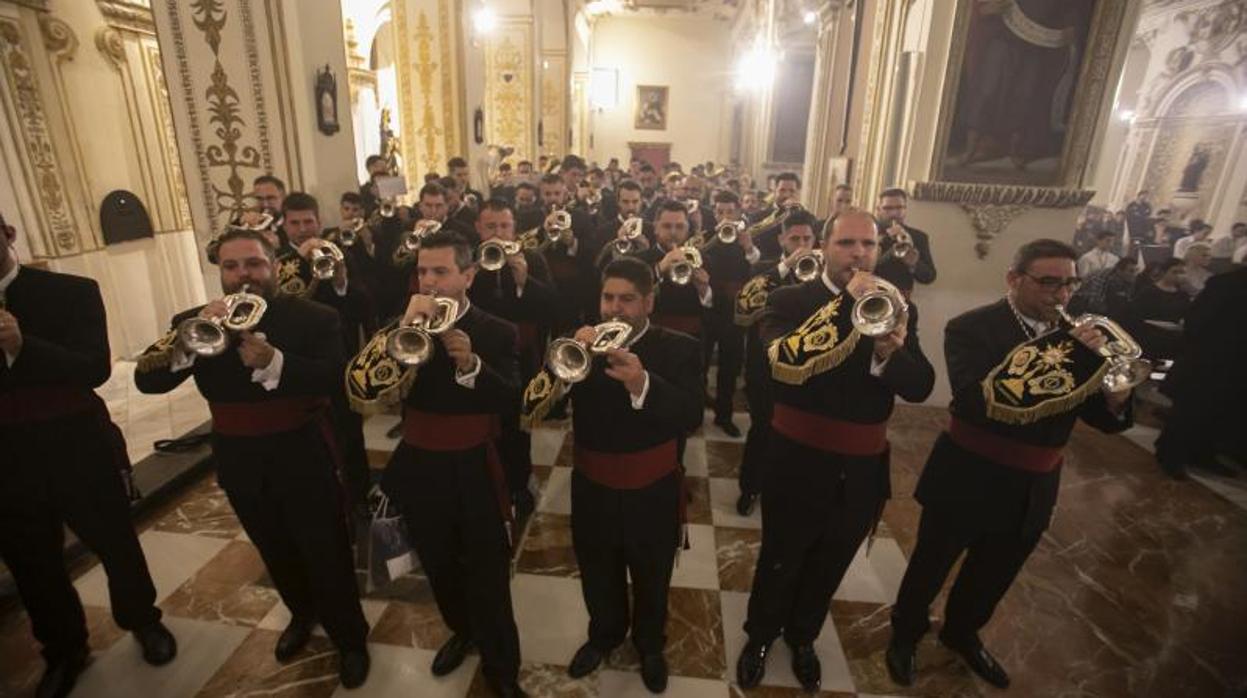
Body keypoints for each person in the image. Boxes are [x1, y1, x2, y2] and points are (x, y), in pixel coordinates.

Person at [887, 239, 1133, 690]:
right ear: (1013, 279)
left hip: (1035, 481)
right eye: (1048, 282)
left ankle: (962, 633)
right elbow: (974, 400)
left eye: (1070, 283)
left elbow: (1098, 418)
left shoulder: (1084, 336)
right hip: (969, 472)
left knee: (996, 570)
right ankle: (904, 634)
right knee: (931, 564)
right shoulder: (972, 328)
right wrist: (1066, 353)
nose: (1061, 294)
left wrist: (1116, 400)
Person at [134, 228, 371, 689]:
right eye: (232, 266)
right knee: (274, 546)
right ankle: (302, 615)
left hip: (301, 452)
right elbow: (148, 382)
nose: (244, 274)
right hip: (239, 458)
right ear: (220, 272)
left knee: (326, 550)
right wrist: (186, 340)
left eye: (254, 264)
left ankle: (351, 637)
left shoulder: (313, 316)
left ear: (275, 266)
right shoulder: (194, 319)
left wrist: (276, 361)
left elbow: (335, 379)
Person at [737, 211, 935, 693]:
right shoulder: (789, 299)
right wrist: (843, 306)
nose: (859, 253)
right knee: (782, 555)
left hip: (862, 466)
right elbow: (775, 367)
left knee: (832, 560)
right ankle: (760, 636)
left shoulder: (898, 304)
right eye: (846, 242)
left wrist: (891, 353)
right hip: (797, 459)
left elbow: (922, 386)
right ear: (824, 246)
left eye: (868, 244)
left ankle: (803, 637)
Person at [0, 213, 176, 698]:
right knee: (32, 562)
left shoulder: (72, 291)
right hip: (8, 460)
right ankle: (63, 649)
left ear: (9, 234)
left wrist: (23, 346)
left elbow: (95, 368)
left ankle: (144, 621)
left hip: (75, 445)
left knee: (116, 542)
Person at [521, 257, 703, 694]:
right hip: (592, 483)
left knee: (652, 572)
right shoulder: (581, 344)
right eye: (608, 297)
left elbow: (691, 414)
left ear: (648, 303)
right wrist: (565, 368)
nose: (615, 308)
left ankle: (649, 645)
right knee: (597, 568)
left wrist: (641, 382)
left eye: (627, 299)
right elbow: (536, 405)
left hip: (653, 486)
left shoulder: (679, 346)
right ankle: (604, 635)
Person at [361, 230, 524, 697]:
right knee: (438, 562)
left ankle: (502, 669)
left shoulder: (496, 330)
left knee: (488, 574)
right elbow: (365, 390)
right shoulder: (403, 325)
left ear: (468, 275)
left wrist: (472, 364)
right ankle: (462, 629)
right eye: (422, 271)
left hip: (475, 464)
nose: (428, 282)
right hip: (420, 463)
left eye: (441, 271)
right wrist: (397, 333)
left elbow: (513, 399)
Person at [470, 199, 557, 519]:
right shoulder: (469, 260)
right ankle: (485, 479)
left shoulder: (532, 257)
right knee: (483, 418)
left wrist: (524, 282)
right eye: (491, 226)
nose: (498, 233)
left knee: (519, 423)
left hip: (523, 353)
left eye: (504, 226)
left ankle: (519, 484)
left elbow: (552, 304)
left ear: (514, 228)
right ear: (479, 228)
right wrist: (472, 275)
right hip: (478, 353)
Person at [733, 209, 819, 516]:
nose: (800, 244)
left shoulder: (824, 271)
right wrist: (785, 267)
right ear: (781, 238)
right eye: (794, 238)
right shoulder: (766, 268)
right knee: (763, 429)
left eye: (807, 238)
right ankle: (750, 488)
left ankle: (787, 489)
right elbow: (746, 303)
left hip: (809, 366)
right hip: (765, 366)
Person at [1155, 265, 1247, 479]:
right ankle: (1169, 455)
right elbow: (1195, 320)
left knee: (1219, 413)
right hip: (1209, 361)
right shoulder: (1225, 283)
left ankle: (1203, 454)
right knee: (1189, 411)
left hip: (1237, 366)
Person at [701, 190, 755, 437]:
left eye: (729, 211)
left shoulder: (746, 239)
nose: (724, 216)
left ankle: (724, 415)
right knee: (700, 362)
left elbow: (759, 267)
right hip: (708, 308)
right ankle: (695, 409)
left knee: (730, 365)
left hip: (735, 311)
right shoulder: (705, 238)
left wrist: (749, 248)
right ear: (714, 214)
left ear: (738, 213)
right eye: (720, 212)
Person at [874, 188, 936, 287]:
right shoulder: (869, 234)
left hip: (901, 298)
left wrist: (914, 264)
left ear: (905, 209)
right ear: (878, 210)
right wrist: (885, 241)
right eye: (888, 208)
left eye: (899, 208)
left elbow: (929, 277)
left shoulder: (919, 237)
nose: (894, 213)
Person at [1068, 256, 1137, 318]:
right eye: (1131, 271)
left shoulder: (1127, 281)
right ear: (1119, 271)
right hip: (1083, 307)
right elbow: (1095, 304)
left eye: (1135, 271)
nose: (1134, 274)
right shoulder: (1102, 278)